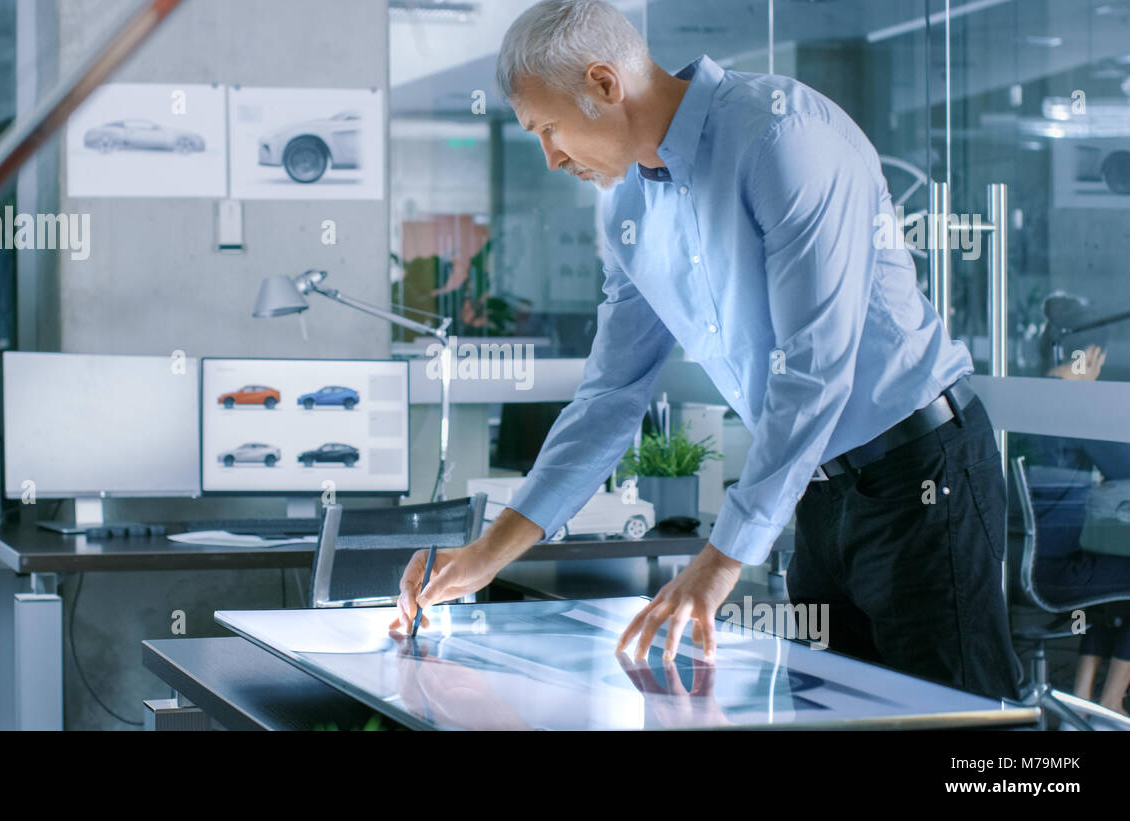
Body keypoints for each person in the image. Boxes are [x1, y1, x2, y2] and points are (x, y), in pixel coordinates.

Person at [389, 0, 1023, 700]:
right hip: (816, 493)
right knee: (845, 717)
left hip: (920, 474)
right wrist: (486, 553)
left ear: (604, 85)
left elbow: (816, 370)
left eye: (549, 129)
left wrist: (721, 560)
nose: (550, 156)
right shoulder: (626, 208)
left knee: (960, 729)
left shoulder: (781, 133)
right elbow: (610, 398)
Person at [1020, 292, 1130, 715]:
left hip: (1020, 566)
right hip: (1054, 572)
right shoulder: (1073, 403)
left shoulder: (1029, 396)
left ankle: (1083, 702)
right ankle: (1113, 703)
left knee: (1115, 584)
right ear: (1093, 355)